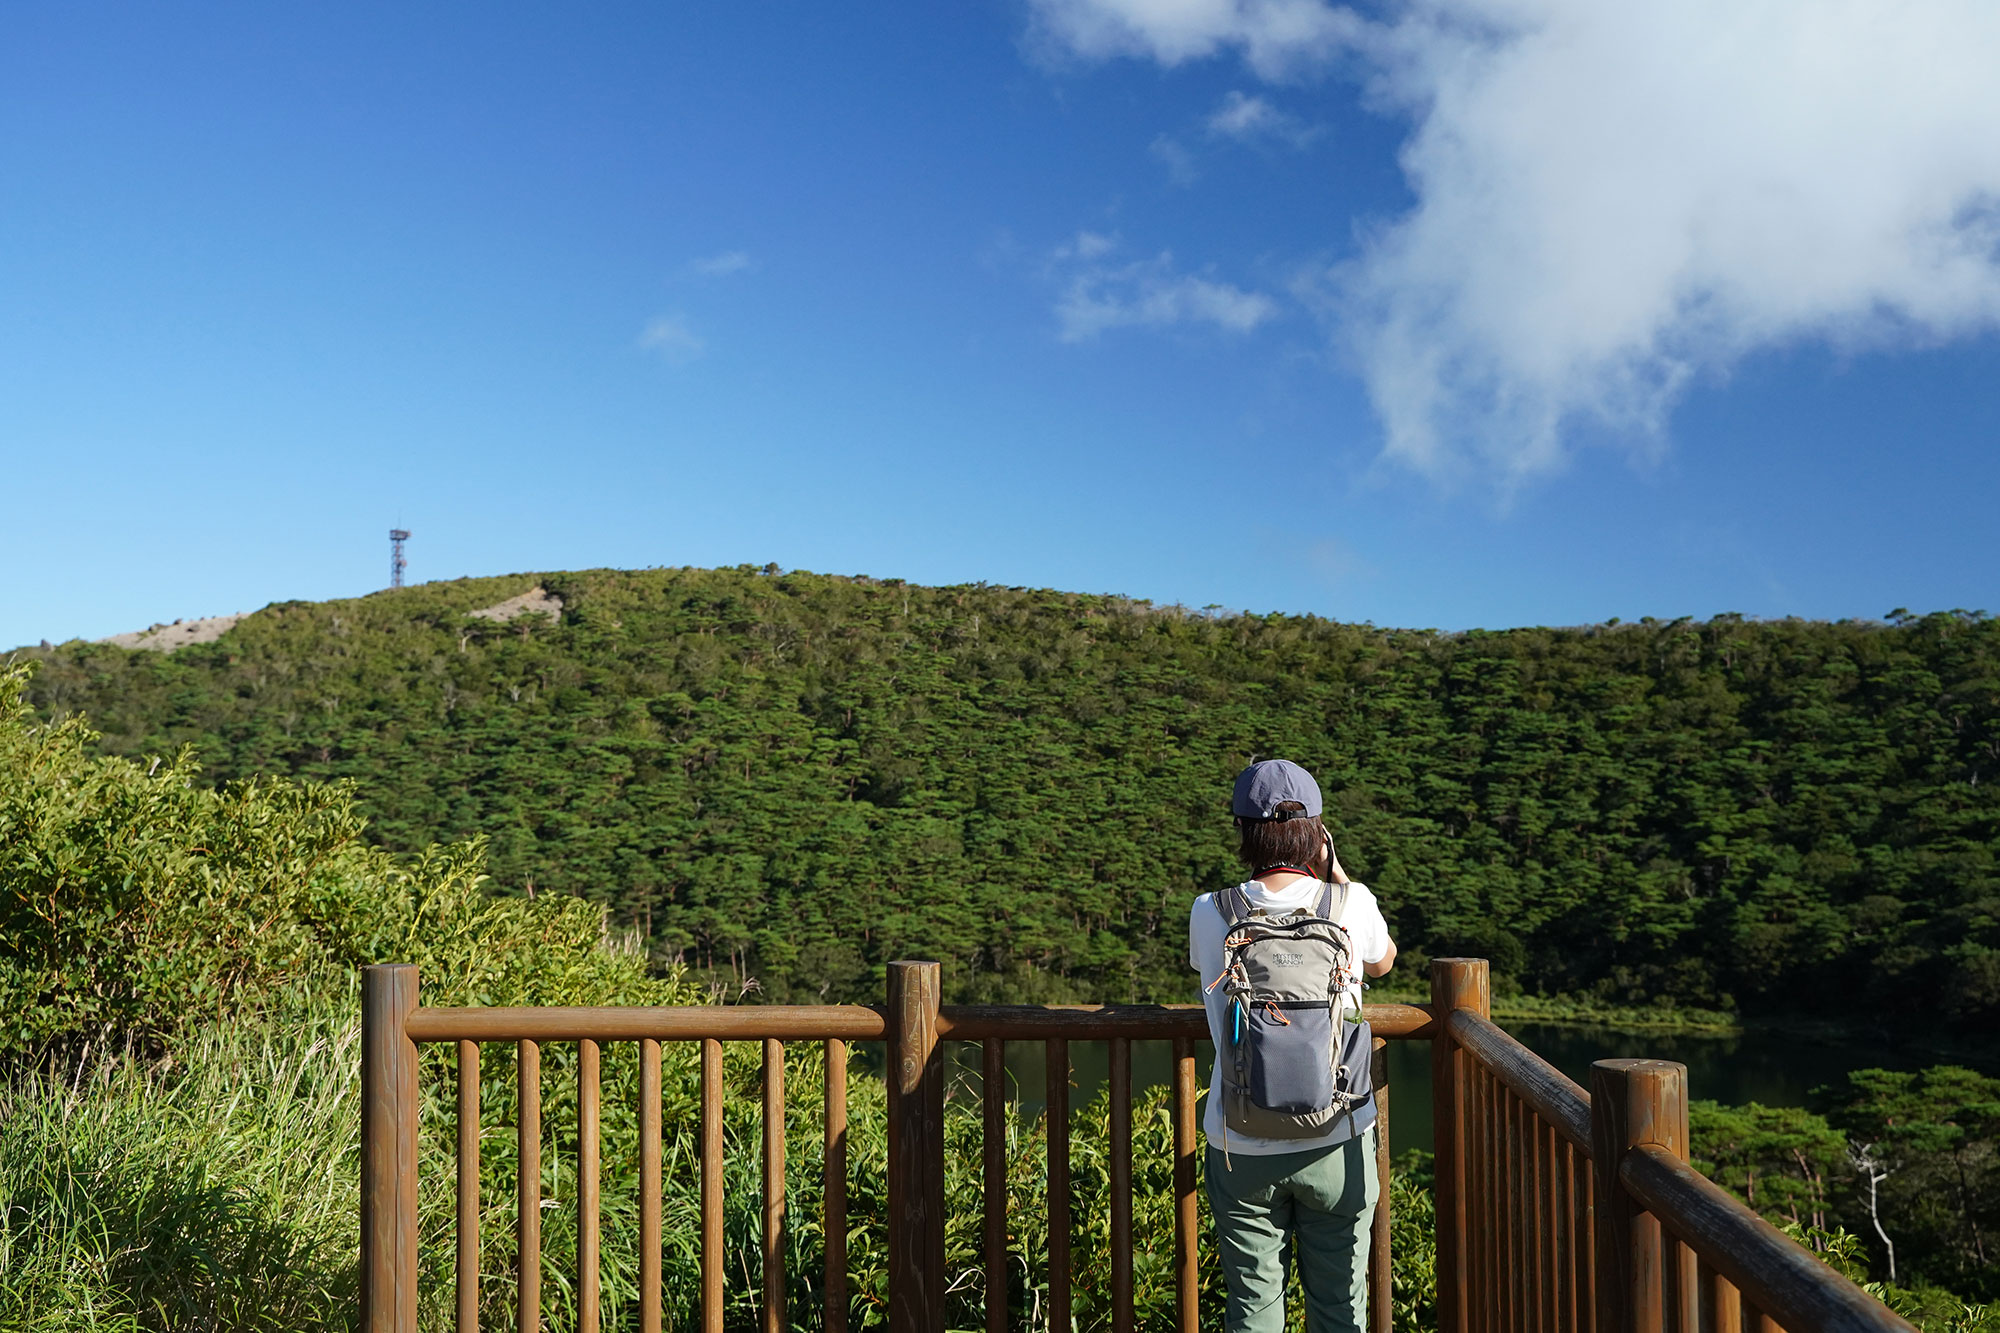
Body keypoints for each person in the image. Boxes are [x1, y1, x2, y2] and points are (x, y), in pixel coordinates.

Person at [1190, 758, 1398, 1333]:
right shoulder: (1351, 904)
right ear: (1316, 831)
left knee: (1254, 1308)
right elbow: (1383, 961)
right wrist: (1335, 874)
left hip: (1241, 1139)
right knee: (1340, 1308)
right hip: (1338, 1137)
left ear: (1245, 831)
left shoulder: (1211, 912)